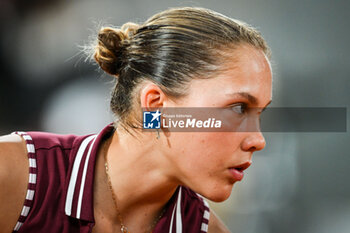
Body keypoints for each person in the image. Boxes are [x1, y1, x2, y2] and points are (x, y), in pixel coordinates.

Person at [0, 6, 272, 233]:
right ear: (156, 106)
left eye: (259, 114)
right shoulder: (13, 176)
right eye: (238, 108)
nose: (258, 140)